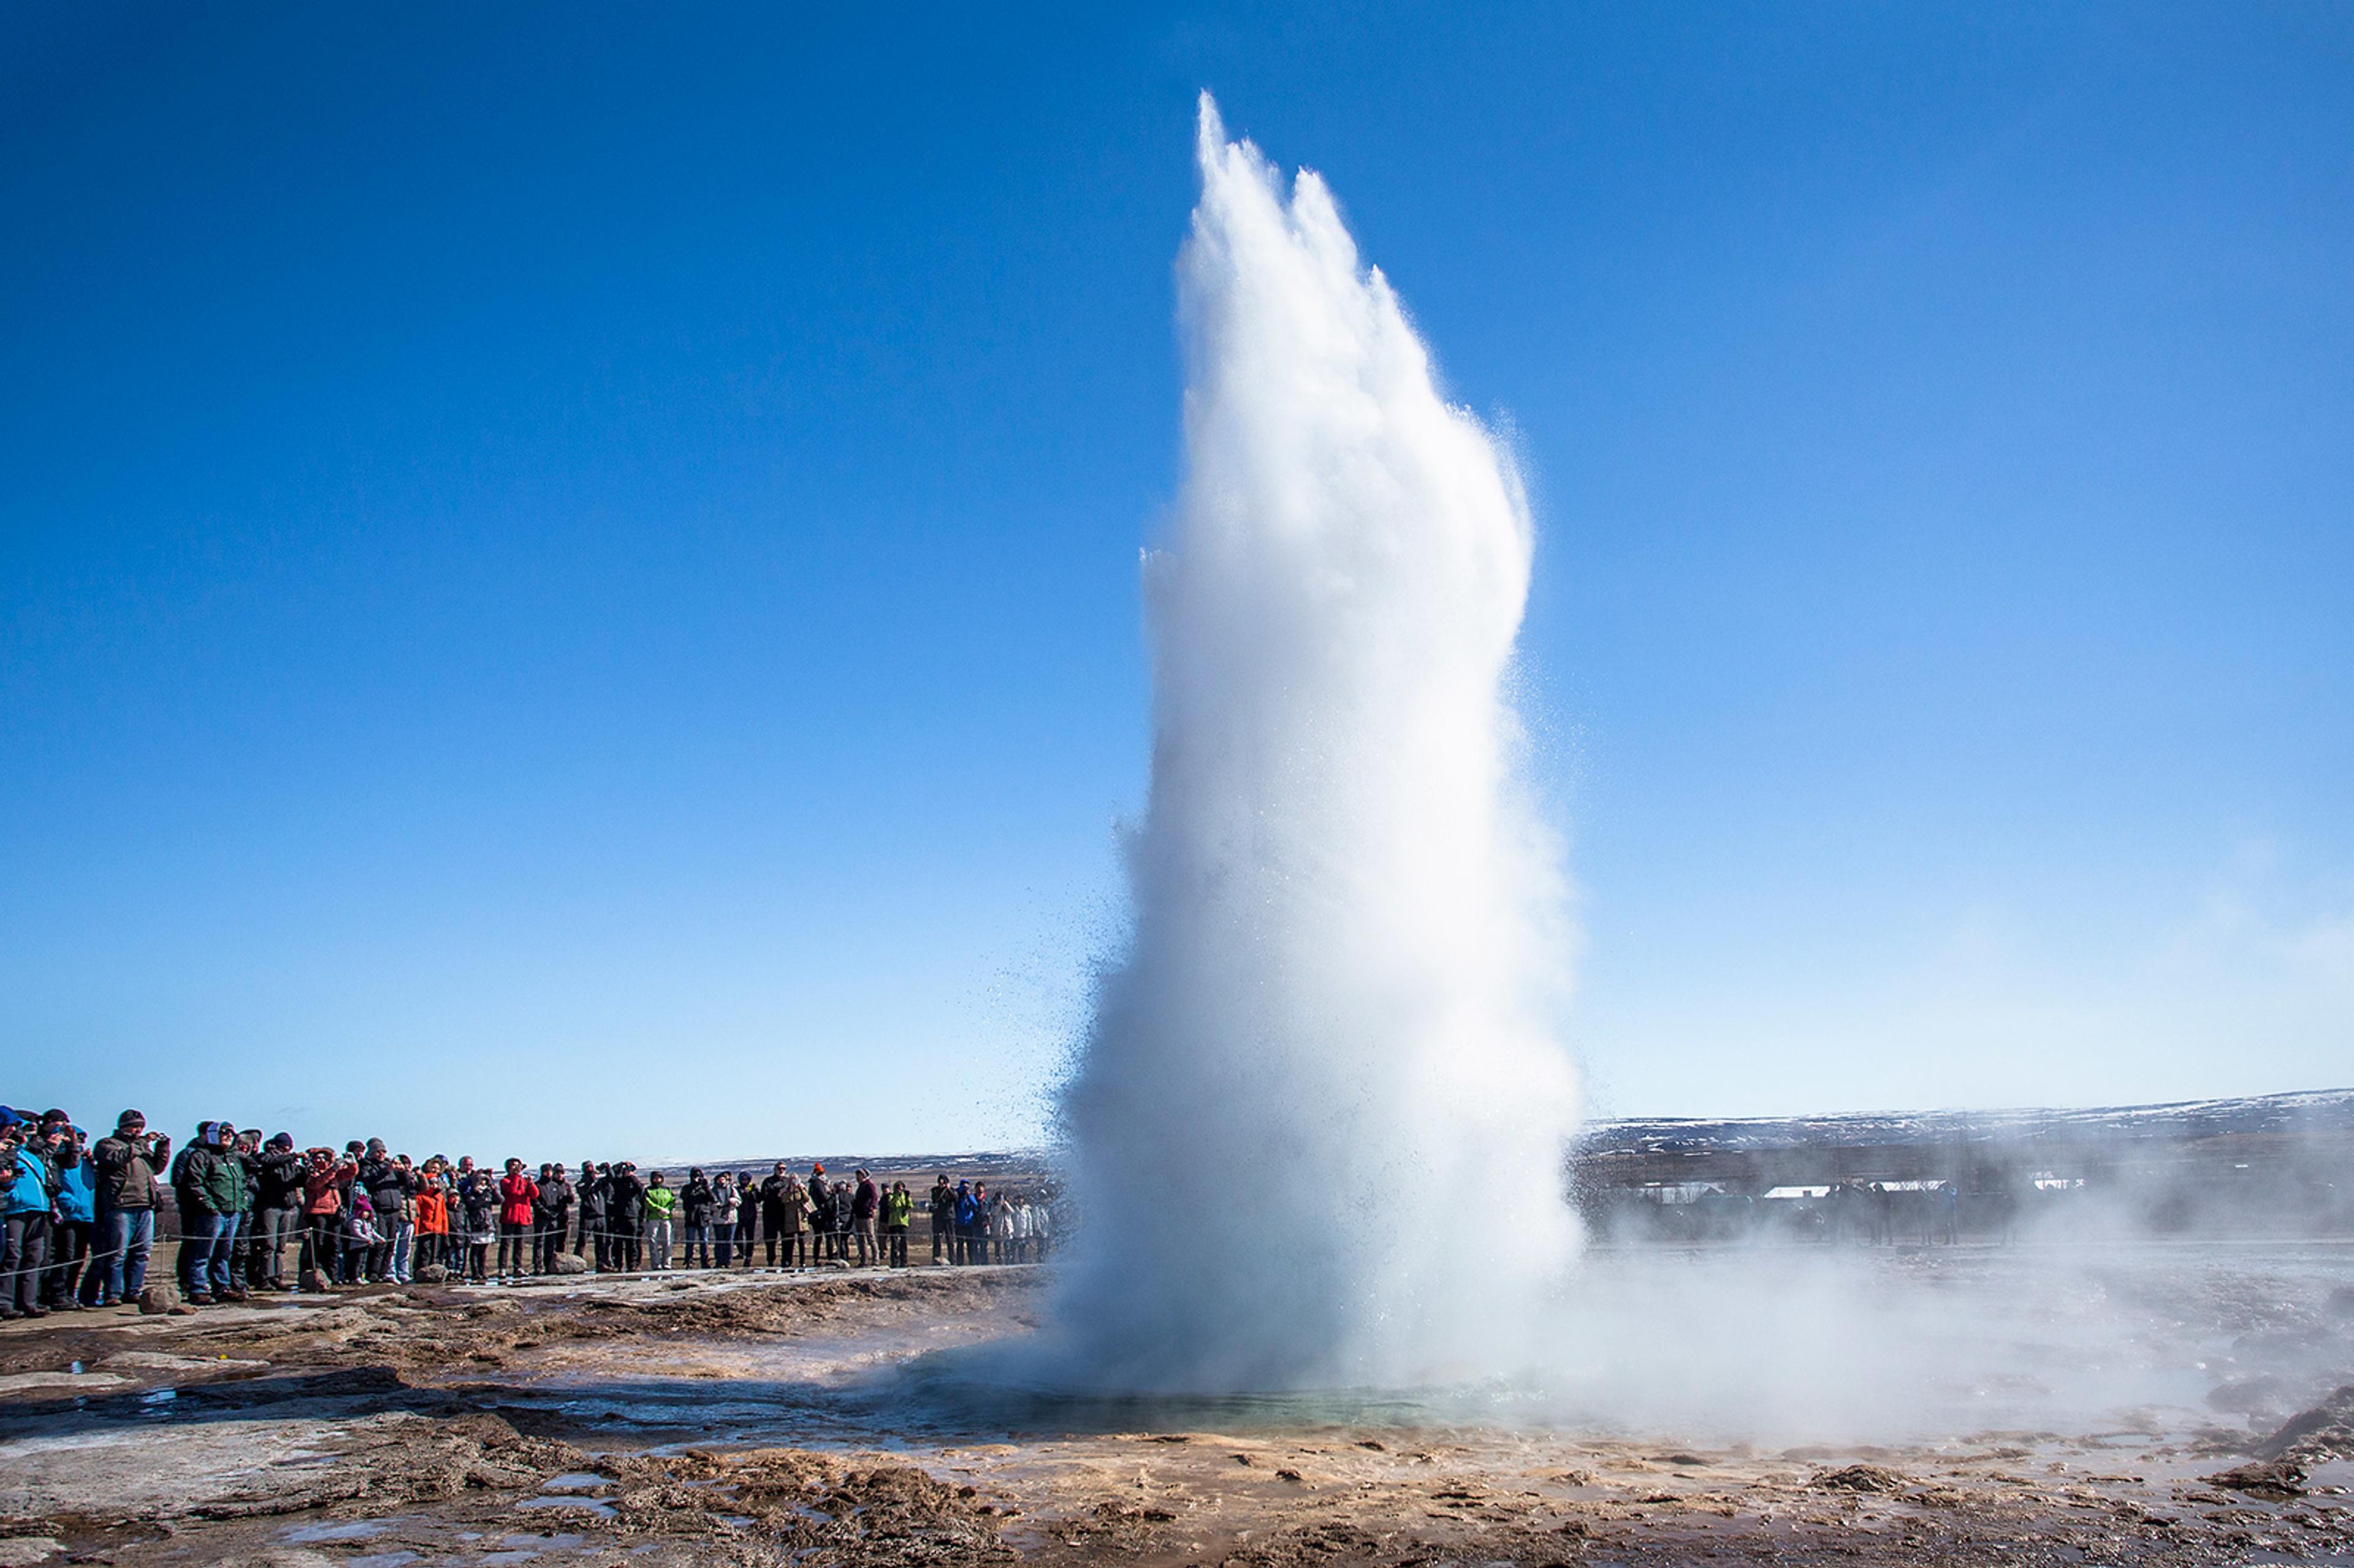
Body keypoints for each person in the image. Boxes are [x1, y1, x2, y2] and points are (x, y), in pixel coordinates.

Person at [91, 1111, 168, 1307]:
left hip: (145, 1204)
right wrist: (140, 1143)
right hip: (121, 1205)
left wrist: (162, 1148)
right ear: (123, 1126)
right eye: (134, 1126)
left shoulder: (141, 1149)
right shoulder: (107, 1144)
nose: (138, 1130)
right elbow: (116, 1159)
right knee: (118, 1253)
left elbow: (157, 1168)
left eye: (141, 1127)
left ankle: (134, 1291)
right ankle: (113, 1292)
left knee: (142, 1251)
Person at [1, 1119, 55, 1319]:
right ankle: (5, 1302)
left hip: (39, 1209)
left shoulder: (32, 1157)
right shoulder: (8, 1154)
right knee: (13, 1256)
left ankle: (29, 1302)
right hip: (15, 1210)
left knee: (35, 1257)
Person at [45, 1120, 95, 1309]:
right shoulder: (60, 1161)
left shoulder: (86, 1163)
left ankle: (70, 1293)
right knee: (65, 1255)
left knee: (79, 1257)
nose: (80, 1143)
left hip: (86, 1215)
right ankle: (57, 1293)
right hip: (68, 1215)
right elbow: (58, 1186)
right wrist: (69, 1205)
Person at [251, 1134, 305, 1291]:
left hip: (287, 1206)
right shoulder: (266, 1157)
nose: (288, 1149)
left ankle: (277, 1277)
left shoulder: (289, 1163)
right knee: (269, 1245)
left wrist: (305, 1168)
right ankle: (264, 1278)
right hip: (270, 1206)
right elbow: (270, 1163)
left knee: (281, 1246)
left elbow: (298, 1180)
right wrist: (291, 1157)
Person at [496, 1158, 538, 1280]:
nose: (516, 1168)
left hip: (522, 1217)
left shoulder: (524, 1181)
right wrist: (516, 1177)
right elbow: (513, 1191)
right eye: (514, 1166)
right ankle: (502, 1268)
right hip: (510, 1216)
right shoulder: (505, 1181)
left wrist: (530, 1184)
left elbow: (535, 1195)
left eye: (518, 1166)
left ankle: (518, 1267)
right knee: (506, 1244)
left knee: (520, 1245)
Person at [535, 1162, 574, 1274]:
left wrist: (555, 1212)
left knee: (551, 1243)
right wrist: (545, 1212)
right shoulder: (538, 1185)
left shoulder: (555, 1186)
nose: (548, 1173)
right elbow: (535, 1202)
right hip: (541, 1217)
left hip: (554, 1217)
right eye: (546, 1171)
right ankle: (538, 1266)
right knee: (539, 1242)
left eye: (550, 1171)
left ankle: (549, 1265)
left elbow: (559, 1201)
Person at [607, 1163, 646, 1271]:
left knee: (632, 1243)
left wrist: (632, 1176)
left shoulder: (634, 1184)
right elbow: (613, 1173)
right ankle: (618, 1264)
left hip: (632, 1216)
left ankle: (632, 1265)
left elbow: (641, 1189)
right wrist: (622, 1164)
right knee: (618, 1243)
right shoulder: (617, 1182)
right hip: (619, 1216)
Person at [413, 1173, 450, 1274]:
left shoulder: (440, 1197)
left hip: (437, 1229)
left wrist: (445, 1230)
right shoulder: (421, 1197)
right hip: (425, 1229)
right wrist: (416, 1231)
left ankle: (434, 1273)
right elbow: (418, 1215)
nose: (434, 1186)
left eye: (435, 1183)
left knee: (435, 1252)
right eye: (431, 1183)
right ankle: (422, 1272)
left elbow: (443, 1215)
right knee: (425, 1252)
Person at [577, 1163, 611, 1271]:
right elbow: (583, 1191)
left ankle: (601, 1263)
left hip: (600, 1215)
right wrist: (590, 1181)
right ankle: (578, 1262)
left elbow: (610, 1179)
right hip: (588, 1216)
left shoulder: (599, 1184)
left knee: (602, 1241)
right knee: (582, 1240)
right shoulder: (581, 1182)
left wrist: (608, 1169)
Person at [680, 1168, 714, 1269]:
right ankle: (689, 1261)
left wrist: (706, 1187)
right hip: (691, 1217)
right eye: (695, 1177)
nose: (696, 1179)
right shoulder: (687, 1188)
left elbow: (712, 1199)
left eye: (698, 1177)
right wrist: (694, 1188)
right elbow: (684, 1198)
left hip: (703, 1217)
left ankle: (705, 1261)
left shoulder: (705, 1189)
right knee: (690, 1240)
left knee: (704, 1240)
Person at [644, 1170, 676, 1269]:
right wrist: (658, 1209)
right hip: (653, 1217)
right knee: (653, 1241)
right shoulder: (648, 1190)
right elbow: (647, 1201)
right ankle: (656, 1264)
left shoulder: (667, 1190)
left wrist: (668, 1209)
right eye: (655, 1178)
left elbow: (672, 1201)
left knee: (667, 1241)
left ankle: (667, 1263)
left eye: (659, 1178)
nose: (657, 1180)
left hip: (666, 1218)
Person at [850, 1168, 880, 1267]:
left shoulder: (869, 1186)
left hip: (867, 1216)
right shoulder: (860, 1187)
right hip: (859, 1215)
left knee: (871, 1238)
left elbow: (874, 1197)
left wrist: (871, 1208)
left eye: (859, 1176)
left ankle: (876, 1259)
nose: (858, 1178)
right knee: (861, 1239)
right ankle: (864, 1260)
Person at [806, 1165, 834, 1262]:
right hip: (822, 1214)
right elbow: (824, 1197)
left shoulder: (813, 1183)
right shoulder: (818, 1184)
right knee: (827, 1236)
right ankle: (829, 1258)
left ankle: (816, 1258)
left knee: (818, 1237)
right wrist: (831, 1194)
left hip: (816, 1214)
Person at [733, 1169, 760, 1267]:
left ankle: (749, 1256)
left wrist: (752, 1192)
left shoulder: (753, 1188)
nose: (745, 1181)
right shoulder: (737, 1189)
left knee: (750, 1236)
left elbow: (758, 1200)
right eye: (743, 1179)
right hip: (739, 1215)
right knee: (737, 1235)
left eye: (746, 1179)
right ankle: (742, 1251)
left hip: (751, 1216)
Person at [882, 1179, 912, 1268]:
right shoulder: (891, 1196)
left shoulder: (905, 1196)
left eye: (901, 1188)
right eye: (898, 1188)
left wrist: (907, 1197)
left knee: (904, 1243)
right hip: (894, 1222)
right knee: (894, 1243)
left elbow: (909, 1206)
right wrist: (897, 1196)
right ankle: (894, 1262)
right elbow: (891, 1205)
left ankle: (904, 1262)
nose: (900, 1190)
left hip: (903, 1222)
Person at [712, 1170, 738, 1268]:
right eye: (720, 1179)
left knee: (729, 1241)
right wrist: (716, 1206)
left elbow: (739, 1201)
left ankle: (728, 1261)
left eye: (724, 1179)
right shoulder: (713, 1190)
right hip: (718, 1219)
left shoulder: (732, 1189)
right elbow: (710, 1204)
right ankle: (719, 1261)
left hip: (731, 1218)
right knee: (719, 1241)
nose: (722, 1180)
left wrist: (733, 1201)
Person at [929, 1174, 953, 1265]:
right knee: (937, 1239)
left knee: (950, 1240)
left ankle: (952, 1259)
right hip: (938, 1218)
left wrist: (948, 1189)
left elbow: (955, 1198)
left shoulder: (951, 1191)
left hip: (948, 1217)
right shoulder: (935, 1191)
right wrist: (941, 1189)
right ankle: (936, 1259)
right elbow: (935, 1198)